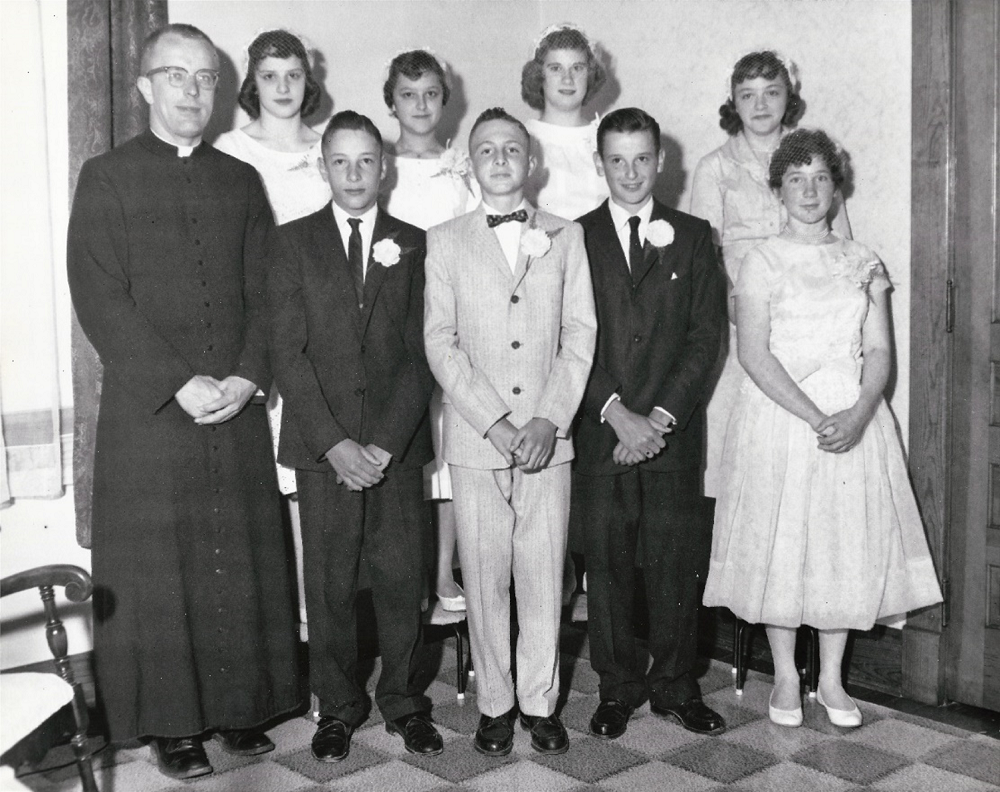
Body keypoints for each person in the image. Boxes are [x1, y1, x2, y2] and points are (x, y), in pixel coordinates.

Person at [66, 24, 299, 781]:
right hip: (152, 414)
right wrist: (176, 380)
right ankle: (172, 728)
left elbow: (269, 293)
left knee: (234, 557)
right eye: (177, 77)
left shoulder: (239, 180)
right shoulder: (107, 177)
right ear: (144, 88)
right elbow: (99, 295)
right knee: (162, 572)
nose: (194, 92)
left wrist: (247, 374)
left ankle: (240, 711)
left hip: (232, 406)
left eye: (206, 79)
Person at [702, 129, 942, 728]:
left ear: (836, 189)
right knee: (782, 541)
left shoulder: (863, 261)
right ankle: (785, 677)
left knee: (841, 543)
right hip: (782, 416)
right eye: (795, 180)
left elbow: (879, 350)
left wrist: (859, 414)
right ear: (778, 190)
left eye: (819, 179)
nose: (808, 191)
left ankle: (831, 680)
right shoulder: (760, 260)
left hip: (853, 418)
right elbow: (754, 353)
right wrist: (815, 417)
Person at [269, 111, 443, 762]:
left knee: (402, 578)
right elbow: (288, 354)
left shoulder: (417, 243)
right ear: (323, 167)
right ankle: (337, 707)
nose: (354, 174)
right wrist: (336, 444)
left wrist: (387, 443)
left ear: (385, 166)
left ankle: (404, 702)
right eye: (340, 161)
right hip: (324, 450)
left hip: (394, 450)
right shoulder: (292, 244)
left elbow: (425, 352)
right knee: (331, 583)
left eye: (366, 160)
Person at [424, 107, 596, 757]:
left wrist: (550, 418)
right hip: (477, 440)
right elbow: (441, 342)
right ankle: (495, 702)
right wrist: (494, 423)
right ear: (471, 165)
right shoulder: (443, 241)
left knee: (543, 573)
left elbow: (579, 336)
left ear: (532, 163)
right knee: (487, 573)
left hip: (549, 441)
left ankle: (539, 701)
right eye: (487, 150)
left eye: (512, 150)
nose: (500, 159)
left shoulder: (566, 237)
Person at [573, 108, 727, 740]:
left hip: (670, 435)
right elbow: (568, 341)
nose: (631, 172)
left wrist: (658, 420)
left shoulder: (692, 236)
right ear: (600, 164)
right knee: (605, 563)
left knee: (672, 561)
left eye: (642, 158)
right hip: (602, 430)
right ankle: (617, 687)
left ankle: (674, 683)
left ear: (662, 160)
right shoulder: (572, 237)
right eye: (618, 159)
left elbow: (704, 337)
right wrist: (617, 414)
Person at [689, 50, 852, 498]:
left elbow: (844, 251)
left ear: (789, 97)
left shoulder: (815, 155)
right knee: (746, 445)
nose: (760, 106)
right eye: (748, 95)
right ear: (733, 103)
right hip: (741, 315)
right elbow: (704, 259)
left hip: (809, 314)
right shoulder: (715, 167)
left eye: (772, 93)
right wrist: (741, 314)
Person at [214, 28, 331, 637]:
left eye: (293, 75)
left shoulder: (327, 148)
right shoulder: (231, 150)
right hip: (263, 327)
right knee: (275, 485)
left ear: (308, 82)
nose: (283, 88)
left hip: (326, 328)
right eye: (269, 76)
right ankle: (290, 624)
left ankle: (323, 617)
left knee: (319, 476)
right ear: (251, 83)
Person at [381, 48, 480, 613]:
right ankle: (408, 576)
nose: (420, 105)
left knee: (446, 450)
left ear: (445, 99)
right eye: (408, 95)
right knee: (403, 441)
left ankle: (445, 571)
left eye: (431, 94)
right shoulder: (381, 167)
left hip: (448, 319)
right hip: (394, 320)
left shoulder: (460, 169)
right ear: (391, 101)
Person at [522, 22, 609, 221]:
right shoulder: (524, 140)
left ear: (590, 73)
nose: (567, 79)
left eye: (577, 68)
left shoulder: (606, 137)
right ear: (538, 75)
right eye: (555, 68)